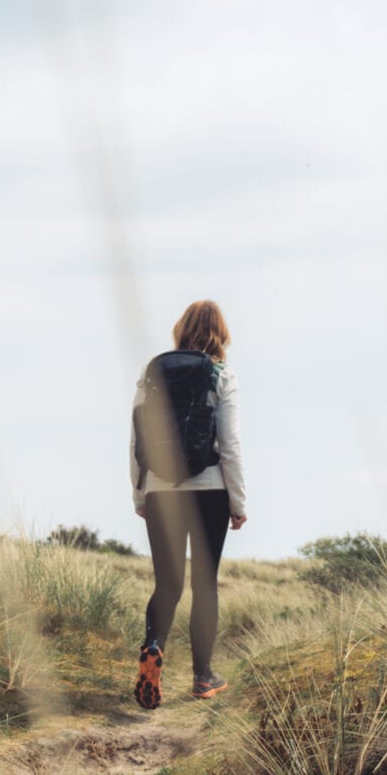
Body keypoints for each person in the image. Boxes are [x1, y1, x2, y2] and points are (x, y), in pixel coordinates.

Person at [128, 300, 247, 708]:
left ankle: (153, 645)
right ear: (222, 333)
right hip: (209, 488)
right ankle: (203, 678)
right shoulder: (221, 374)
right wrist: (238, 500)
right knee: (204, 583)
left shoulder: (152, 372)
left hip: (161, 490)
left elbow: (136, 438)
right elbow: (229, 445)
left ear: (181, 330)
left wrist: (140, 492)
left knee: (168, 583)